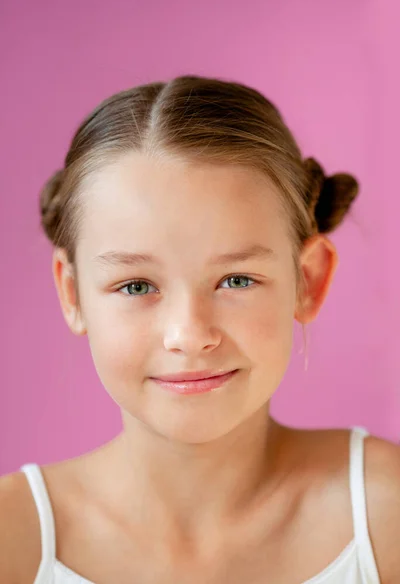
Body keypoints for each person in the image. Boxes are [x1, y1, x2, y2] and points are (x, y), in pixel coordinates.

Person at [0, 75, 399, 584]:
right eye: (137, 286)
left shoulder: (388, 517)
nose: (189, 334)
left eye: (236, 280)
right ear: (72, 294)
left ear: (308, 280)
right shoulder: (12, 541)